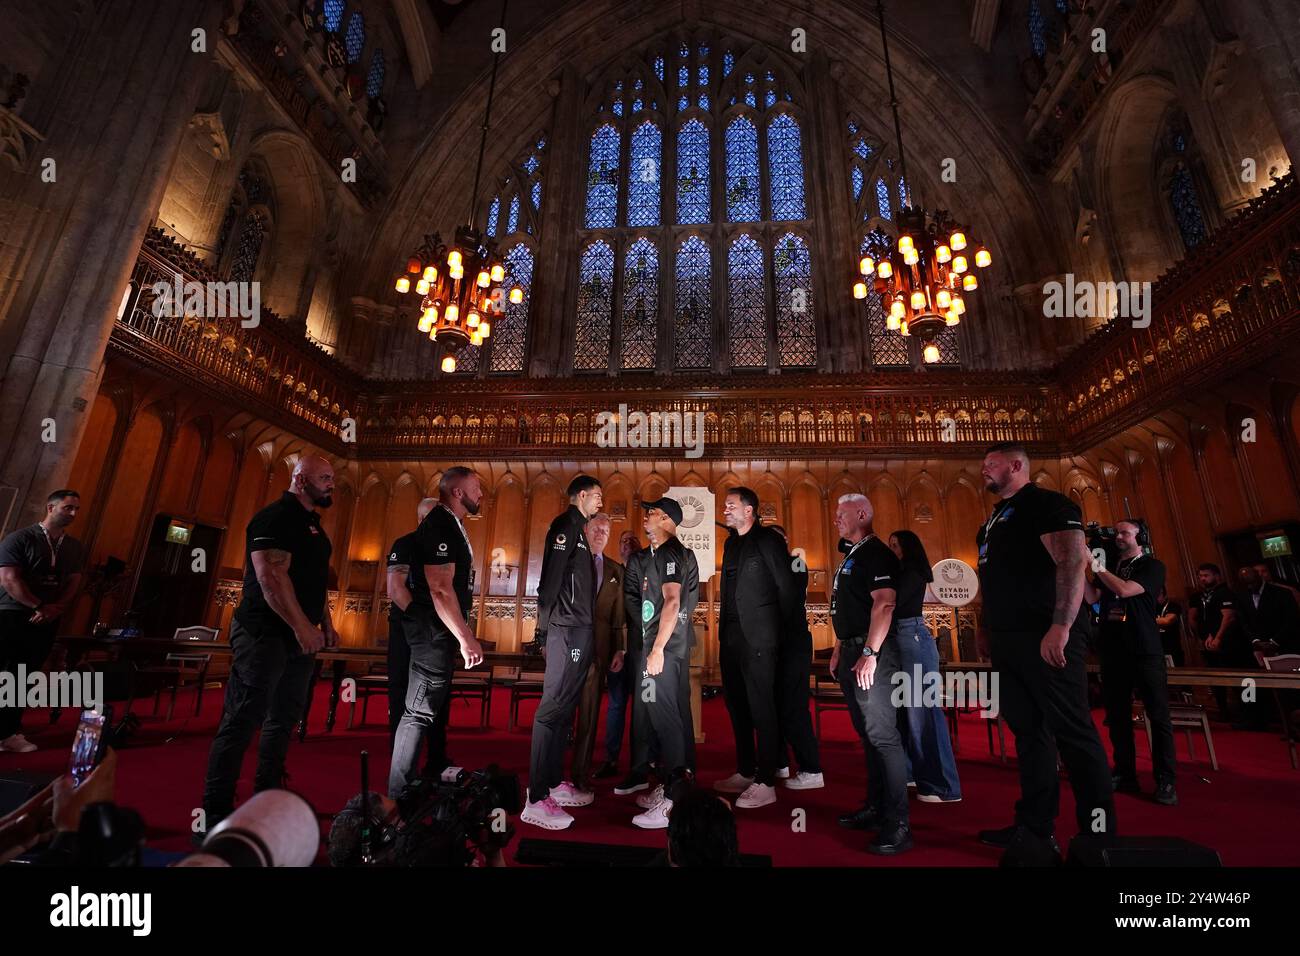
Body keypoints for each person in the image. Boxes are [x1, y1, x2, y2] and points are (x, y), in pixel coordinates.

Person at [974, 442, 1115, 866]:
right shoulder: (992, 521)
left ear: (1016, 466)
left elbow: (1072, 564)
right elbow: (992, 579)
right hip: (1008, 639)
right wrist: (986, 628)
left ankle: (1098, 837)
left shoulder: (1049, 504)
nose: (984, 470)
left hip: (1047, 634)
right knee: (1029, 733)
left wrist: (1061, 625)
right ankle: (1034, 827)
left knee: (1072, 731)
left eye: (991, 464)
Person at [203, 456, 339, 831]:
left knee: (284, 720)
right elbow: (271, 579)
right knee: (242, 720)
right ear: (300, 477)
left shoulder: (313, 524)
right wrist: (301, 627)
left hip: (299, 636)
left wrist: (324, 623)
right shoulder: (274, 517)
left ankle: (268, 795)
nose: (331, 485)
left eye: (332, 479)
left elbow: (312, 582)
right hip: (264, 634)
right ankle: (216, 811)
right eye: (324, 477)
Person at [387, 468, 485, 795]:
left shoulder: (449, 524)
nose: (481, 494)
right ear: (457, 492)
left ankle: (413, 783)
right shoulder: (441, 524)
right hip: (432, 634)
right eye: (476, 488)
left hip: (436, 633)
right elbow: (440, 588)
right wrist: (465, 637)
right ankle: (399, 796)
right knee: (417, 713)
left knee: (424, 712)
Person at [829, 493, 911, 856]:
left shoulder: (875, 552)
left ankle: (898, 824)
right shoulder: (855, 553)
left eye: (841, 514)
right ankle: (877, 808)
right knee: (868, 737)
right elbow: (852, 608)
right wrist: (839, 648)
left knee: (883, 737)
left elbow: (885, 603)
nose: (836, 520)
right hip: (853, 649)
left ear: (861, 513)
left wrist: (870, 653)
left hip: (872, 654)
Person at [714, 488, 806, 808]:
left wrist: (777, 635)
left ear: (749, 510)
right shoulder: (730, 543)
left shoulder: (768, 540)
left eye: (731, 505)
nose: (725, 510)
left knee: (762, 708)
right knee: (737, 706)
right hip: (731, 638)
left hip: (761, 638)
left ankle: (766, 780)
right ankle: (745, 769)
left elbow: (786, 588)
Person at [521, 475, 603, 830]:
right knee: (551, 710)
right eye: (597, 496)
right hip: (565, 632)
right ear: (581, 496)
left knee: (564, 709)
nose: (601, 502)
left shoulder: (580, 531)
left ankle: (553, 782)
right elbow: (550, 582)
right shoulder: (564, 525)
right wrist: (541, 629)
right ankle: (536, 797)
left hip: (580, 631)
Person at [1081, 519, 1177, 806]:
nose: (1119, 537)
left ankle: (1166, 779)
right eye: (1117, 532)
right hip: (1112, 650)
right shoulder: (1111, 567)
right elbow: (1093, 597)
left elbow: (1125, 591)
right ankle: (1125, 773)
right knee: (1117, 717)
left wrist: (1096, 565)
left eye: (1125, 532)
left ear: (1140, 537)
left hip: (1144, 649)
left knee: (1158, 716)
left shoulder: (1152, 566)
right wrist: (1081, 569)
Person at [627, 497, 699, 830]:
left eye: (652, 512)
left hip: (663, 650)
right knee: (660, 715)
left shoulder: (671, 552)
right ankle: (671, 787)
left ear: (668, 519)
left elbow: (672, 602)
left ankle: (674, 801)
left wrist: (657, 649)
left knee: (667, 719)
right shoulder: (663, 553)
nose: (646, 516)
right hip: (658, 647)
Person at [0, 489, 84, 753]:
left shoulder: (74, 546)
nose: (72, 514)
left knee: (25, 676)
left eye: (76, 510)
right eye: (67, 508)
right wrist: (37, 605)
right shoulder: (20, 538)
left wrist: (55, 608)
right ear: (50, 507)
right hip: (13, 613)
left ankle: (9, 731)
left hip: (47, 617)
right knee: (5, 672)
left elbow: (74, 581)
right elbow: (9, 579)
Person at [887, 530, 961, 804]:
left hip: (912, 637)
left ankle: (943, 785)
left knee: (924, 711)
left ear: (909, 548)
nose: (893, 551)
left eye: (896, 546)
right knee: (903, 710)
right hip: (896, 638)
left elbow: (892, 604)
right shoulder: (899, 571)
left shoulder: (913, 572)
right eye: (890, 546)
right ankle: (912, 773)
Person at [385, 497, 450, 771]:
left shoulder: (447, 549)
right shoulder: (405, 544)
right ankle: (399, 760)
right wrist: (421, 622)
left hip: (439, 633)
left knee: (438, 696)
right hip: (407, 630)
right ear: (423, 518)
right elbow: (396, 589)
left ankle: (436, 758)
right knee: (401, 692)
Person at [570, 513, 625, 790]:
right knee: (560, 712)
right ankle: (551, 773)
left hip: (599, 651)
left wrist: (619, 650)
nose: (601, 534)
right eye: (596, 529)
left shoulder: (616, 571)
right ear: (585, 531)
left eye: (605, 530)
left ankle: (579, 777)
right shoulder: (569, 561)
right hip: (567, 647)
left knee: (589, 716)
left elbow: (618, 617)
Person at [769, 524, 823, 790]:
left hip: (793, 644)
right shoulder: (769, 564)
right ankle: (778, 763)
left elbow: (786, 596)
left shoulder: (796, 564)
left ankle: (811, 768)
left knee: (793, 707)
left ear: (786, 541)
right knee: (772, 706)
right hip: (772, 645)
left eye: (776, 540)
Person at [595, 530, 641, 779]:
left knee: (644, 709)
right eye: (624, 541)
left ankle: (644, 761)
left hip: (642, 651)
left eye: (633, 540)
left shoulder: (647, 571)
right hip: (618, 652)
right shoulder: (612, 572)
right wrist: (620, 649)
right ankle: (611, 759)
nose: (628, 544)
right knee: (616, 706)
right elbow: (615, 615)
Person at [1188, 563, 1245, 721]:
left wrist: (1218, 637)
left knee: (1241, 680)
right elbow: (1195, 619)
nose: (1202, 579)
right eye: (1200, 576)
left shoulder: (1225, 593)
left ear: (1216, 576)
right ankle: (1223, 711)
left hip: (1230, 643)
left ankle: (1247, 712)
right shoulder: (1201, 596)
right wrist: (1203, 636)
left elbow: (1229, 617)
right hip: (1209, 642)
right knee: (1215, 679)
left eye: (1206, 575)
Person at [1238, 565, 1300, 655]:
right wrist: (1255, 640)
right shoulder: (1242, 596)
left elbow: (1292, 619)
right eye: (1247, 584)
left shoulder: (1282, 592)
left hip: (1286, 644)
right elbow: (1244, 621)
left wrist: (1274, 641)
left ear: (1258, 577)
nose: (1250, 586)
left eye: (1252, 583)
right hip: (1259, 647)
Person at [1155, 587, 1184, 667]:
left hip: (1172, 648)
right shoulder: (1153, 607)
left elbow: (1167, 621)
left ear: (1162, 593)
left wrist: (1147, 620)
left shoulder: (1173, 606)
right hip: (1157, 649)